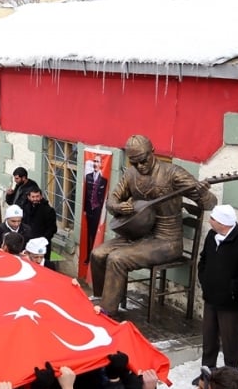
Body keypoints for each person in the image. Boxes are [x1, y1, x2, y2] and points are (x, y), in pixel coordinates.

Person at [90, 135, 217, 318]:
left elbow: (209, 203)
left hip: (166, 241)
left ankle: (107, 312)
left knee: (117, 258)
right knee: (98, 254)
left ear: (153, 152)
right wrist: (117, 206)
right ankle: (100, 298)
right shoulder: (131, 174)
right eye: (135, 163)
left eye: (143, 160)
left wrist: (204, 194)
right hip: (137, 234)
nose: (140, 166)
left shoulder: (173, 173)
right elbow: (112, 199)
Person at [197, 205, 238, 370]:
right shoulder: (212, 236)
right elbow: (203, 259)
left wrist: (232, 288)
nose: (210, 221)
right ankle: (207, 372)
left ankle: (230, 376)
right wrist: (204, 279)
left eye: (213, 218)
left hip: (231, 303)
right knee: (209, 339)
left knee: (230, 342)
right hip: (211, 298)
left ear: (223, 223)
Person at [84, 155, 108, 262]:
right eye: (94, 161)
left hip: (98, 210)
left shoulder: (104, 180)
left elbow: (104, 197)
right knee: (89, 232)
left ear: (101, 164)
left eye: (97, 161)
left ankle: (94, 255)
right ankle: (88, 254)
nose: (95, 164)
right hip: (89, 210)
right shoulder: (88, 176)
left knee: (96, 233)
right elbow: (86, 194)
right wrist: (85, 209)